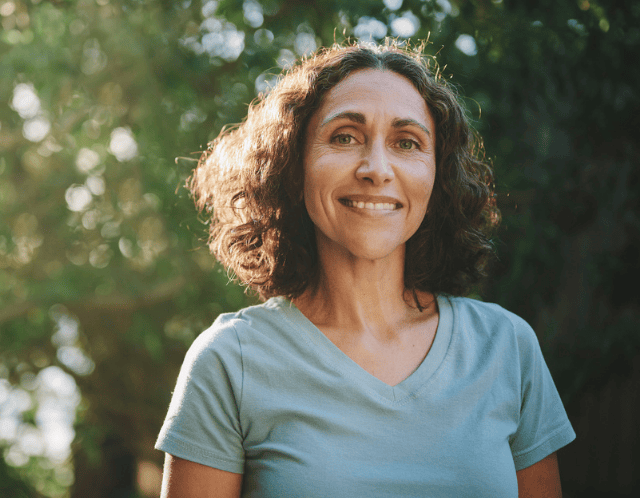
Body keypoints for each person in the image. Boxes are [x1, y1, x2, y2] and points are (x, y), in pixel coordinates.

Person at [155, 42, 575, 497]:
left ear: (438, 177)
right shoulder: (229, 360)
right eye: (344, 137)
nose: (377, 168)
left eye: (406, 143)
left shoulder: (507, 349)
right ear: (294, 166)